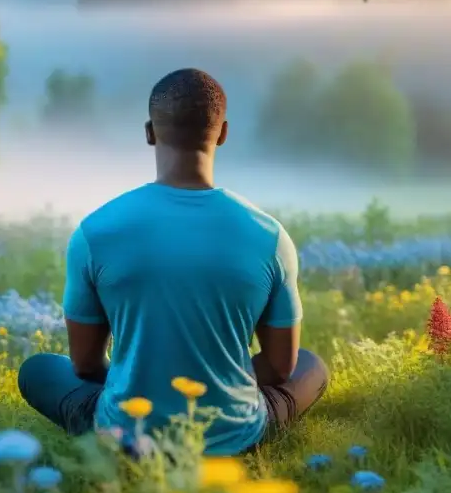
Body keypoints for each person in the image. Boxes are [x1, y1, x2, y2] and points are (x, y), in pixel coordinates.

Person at [17, 68, 329, 455]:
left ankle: (122, 435)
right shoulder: (270, 236)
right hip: (235, 436)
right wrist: (215, 377)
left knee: (38, 370)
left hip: (127, 435)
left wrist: (141, 380)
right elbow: (281, 368)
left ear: (150, 132)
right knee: (310, 367)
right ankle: (235, 429)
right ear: (223, 133)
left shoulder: (94, 231)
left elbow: (84, 367)